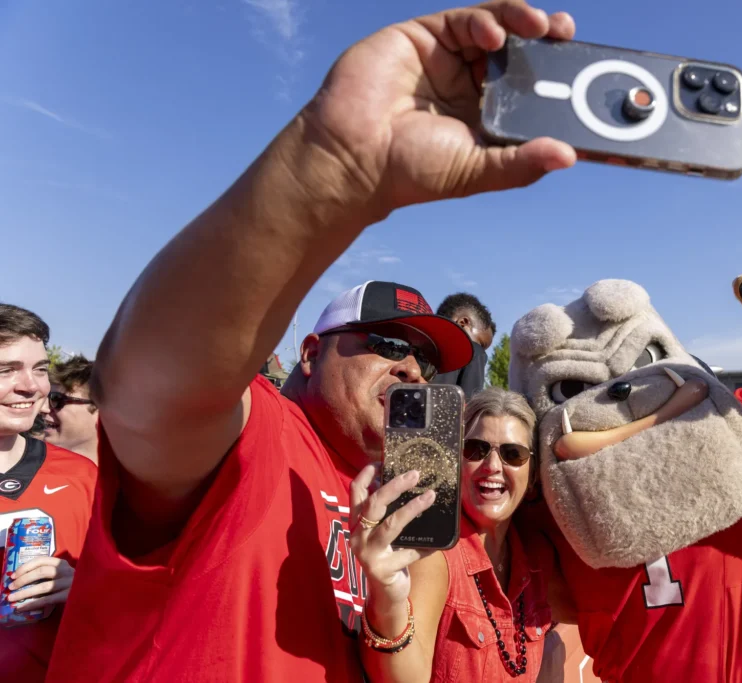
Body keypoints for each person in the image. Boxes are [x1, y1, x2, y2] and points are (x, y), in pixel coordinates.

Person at [47, 3, 578, 681]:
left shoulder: (399, 497)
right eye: (387, 343)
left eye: (428, 360)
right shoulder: (258, 432)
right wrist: (333, 168)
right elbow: (148, 383)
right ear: (310, 352)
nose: (413, 368)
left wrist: (392, 608)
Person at [352, 388, 567, 681]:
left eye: (513, 454)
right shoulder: (435, 557)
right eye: (474, 449)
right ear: (455, 463)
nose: (492, 467)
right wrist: (387, 601)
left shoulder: (537, 557)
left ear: (532, 477)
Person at [0, 304, 97, 682]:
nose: (33, 386)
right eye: (7, 369)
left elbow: (139, 599)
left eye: (39, 368)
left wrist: (86, 584)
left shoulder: (81, 477)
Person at [433, 293, 497, 399]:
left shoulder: (412, 352)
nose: (482, 352)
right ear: (462, 323)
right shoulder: (473, 351)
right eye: (480, 344)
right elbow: (470, 407)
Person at [41, 355, 100, 464]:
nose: (43, 408)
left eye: (56, 399)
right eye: (45, 397)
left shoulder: (133, 477)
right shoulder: (27, 469)